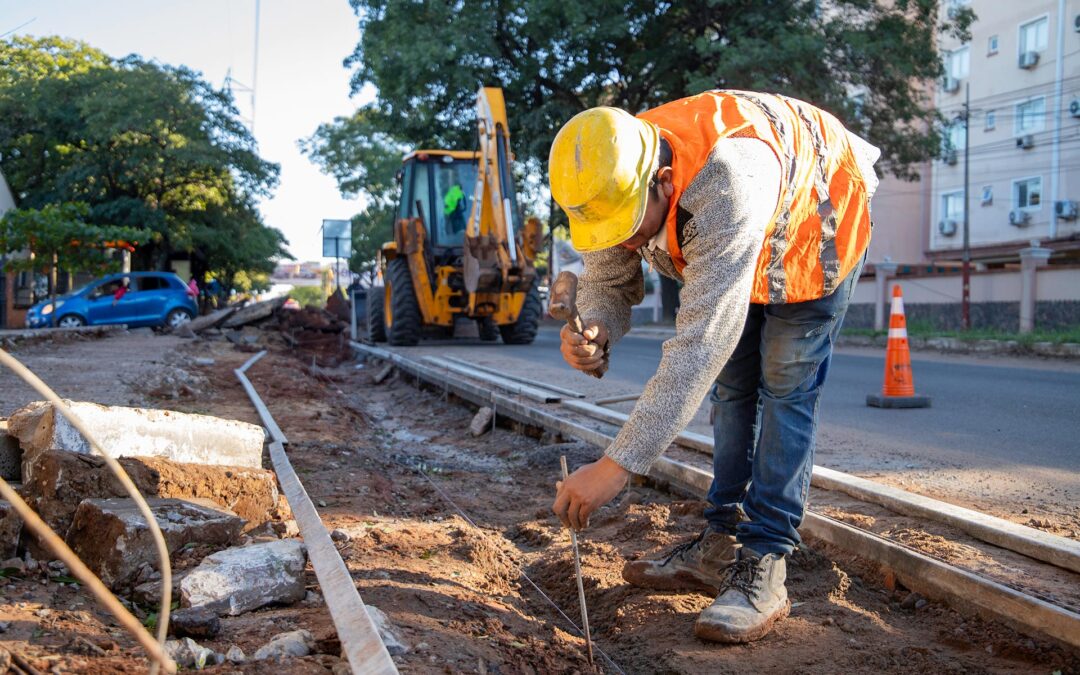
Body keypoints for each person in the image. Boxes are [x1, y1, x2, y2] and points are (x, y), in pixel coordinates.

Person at [548, 90, 879, 643]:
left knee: (784, 386)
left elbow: (699, 346)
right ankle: (720, 543)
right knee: (732, 390)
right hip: (743, 236)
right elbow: (608, 282)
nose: (625, 239)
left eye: (630, 225)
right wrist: (598, 332)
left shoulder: (724, 184)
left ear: (662, 180)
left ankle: (766, 562)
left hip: (818, 221)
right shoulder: (608, 175)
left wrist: (616, 465)